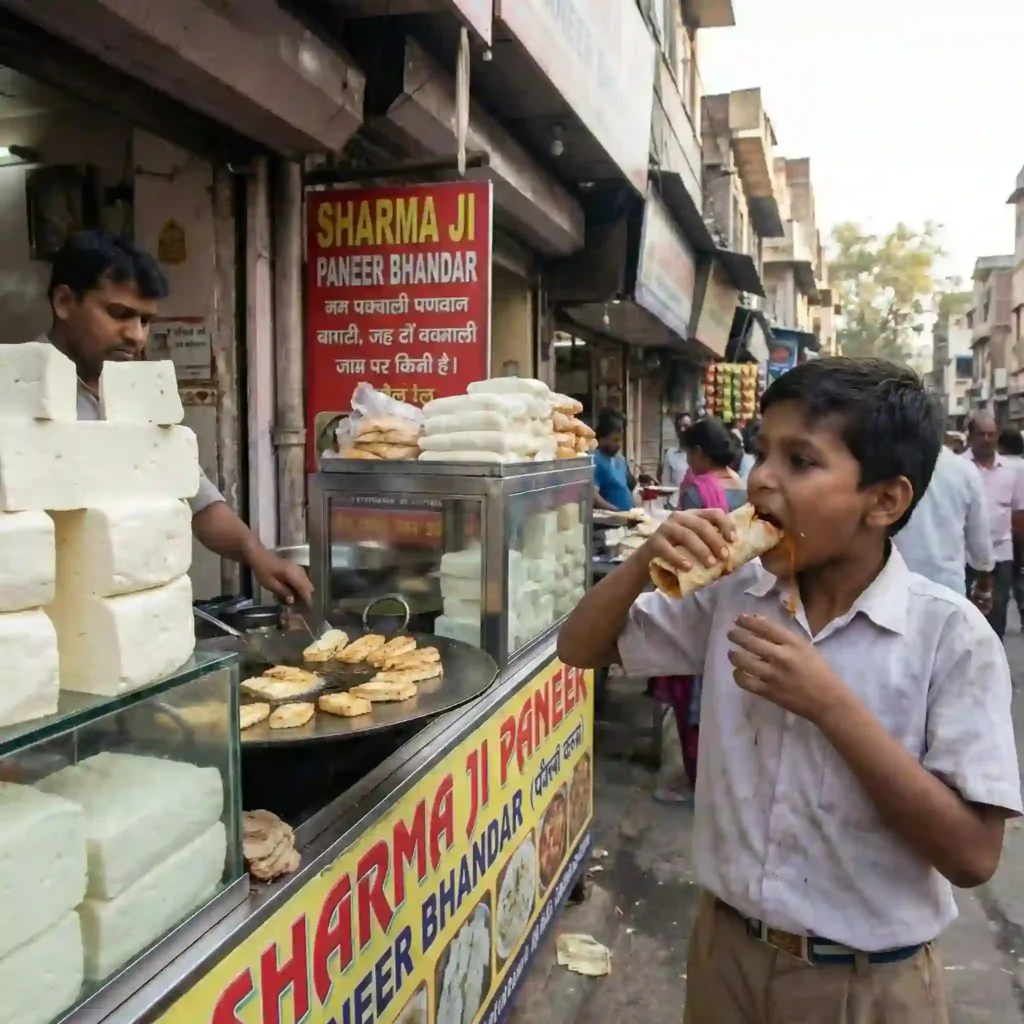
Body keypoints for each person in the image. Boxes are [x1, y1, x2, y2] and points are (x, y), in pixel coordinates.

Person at [559, 357, 1020, 1023]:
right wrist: (642, 562)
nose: (763, 479)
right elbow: (580, 647)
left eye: (801, 461)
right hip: (725, 953)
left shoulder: (950, 638)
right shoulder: (734, 597)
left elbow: (974, 855)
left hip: (866, 984)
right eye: (762, 452)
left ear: (884, 501)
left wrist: (829, 704)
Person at [42, 229, 314, 604]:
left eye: (145, 320)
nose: (136, 336)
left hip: (128, 610)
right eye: (119, 314)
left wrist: (260, 557)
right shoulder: (15, 394)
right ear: (64, 301)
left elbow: (197, 498)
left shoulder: (141, 395)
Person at [654, 417, 746, 804]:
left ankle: (694, 780)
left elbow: (685, 552)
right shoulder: (732, 485)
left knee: (688, 691)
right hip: (726, 592)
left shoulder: (695, 488)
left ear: (699, 453)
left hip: (693, 591)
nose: (687, 461)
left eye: (690, 452)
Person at [894, 445, 994, 605]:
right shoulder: (963, 470)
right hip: (947, 588)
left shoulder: (887, 466)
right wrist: (984, 584)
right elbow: (979, 535)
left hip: (894, 586)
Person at [964, 412, 1024, 639]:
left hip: (1001, 553)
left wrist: (1020, 556)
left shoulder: (1013, 470)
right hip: (964, 554)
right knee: (965, 616)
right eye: (981, 434)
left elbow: (1019, 513)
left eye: (991, 434)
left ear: (998, 436)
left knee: (997, 614)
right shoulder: (959, 468)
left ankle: (994, 668)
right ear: (971, 436)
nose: (987, 439)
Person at [592, 409, 635, 511]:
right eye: (615, 440)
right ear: (602, 438)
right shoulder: (594, 459)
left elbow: (628, 486)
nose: (619, 445)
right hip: (608, 523)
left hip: (626, 521)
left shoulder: (620, 459)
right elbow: (593, 497)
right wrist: (616, 512)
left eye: (620, 439)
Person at [661, 412, 692, 503]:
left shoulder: (700, 454)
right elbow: (665, 484)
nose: (682, 430)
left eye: (686, 426)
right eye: (679, 427)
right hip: (674, 505)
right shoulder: (670, 454)